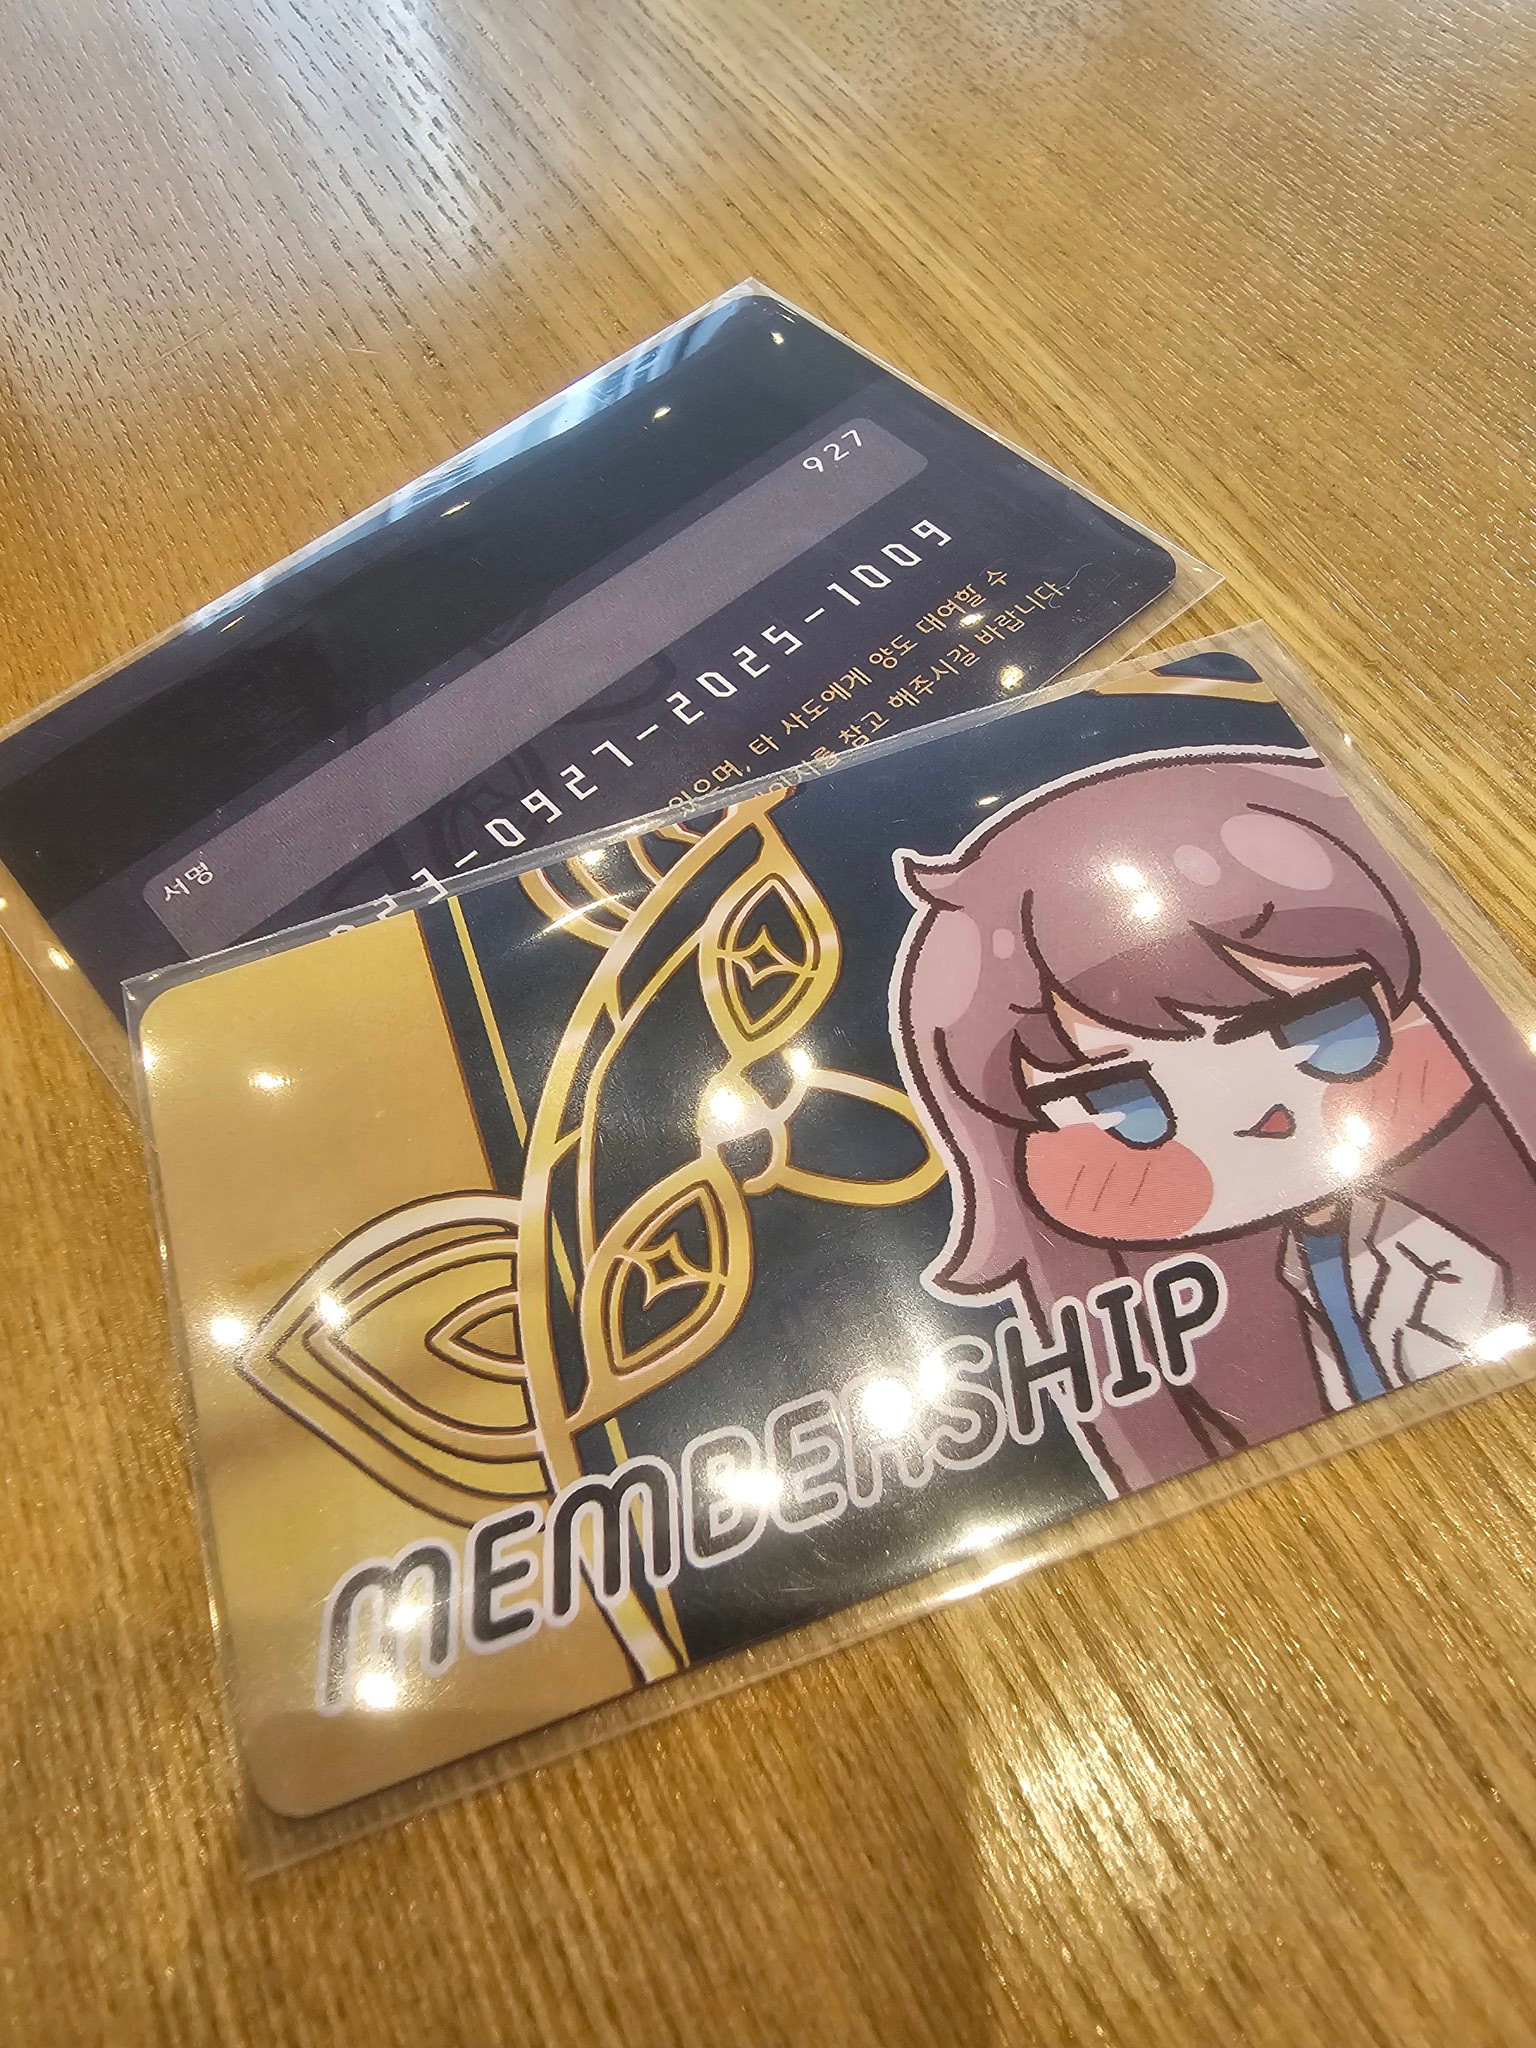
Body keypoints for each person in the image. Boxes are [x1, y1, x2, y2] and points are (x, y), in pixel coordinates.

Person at [892, 743, 1536, 1494]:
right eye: (1120, 1103)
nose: (1256, 1114)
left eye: (1326, 1029)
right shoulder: (1171, 1346)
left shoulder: (1466, 1239)